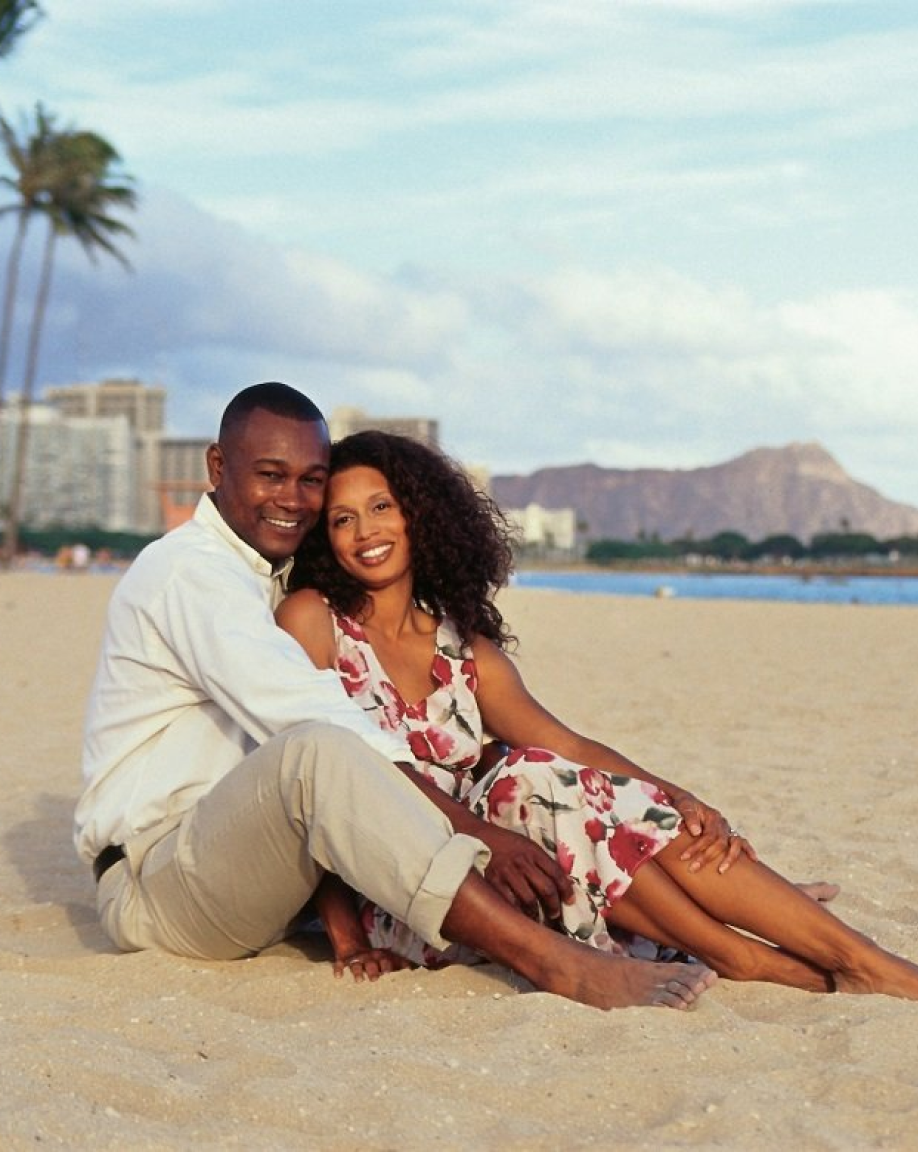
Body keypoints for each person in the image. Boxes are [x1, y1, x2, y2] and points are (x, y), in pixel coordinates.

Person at [76, 381, 718, 1012]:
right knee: (321, 750)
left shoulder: (263, 579)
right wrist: (471, 832)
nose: (293, 499)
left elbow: (553, 741)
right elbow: (313, 722)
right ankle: (557, 964)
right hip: (158, 882)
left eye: (310, 480)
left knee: (505, 763)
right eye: (271, 475)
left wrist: (676, 801)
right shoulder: (192, 573)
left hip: (243, 869)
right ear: (218, 467)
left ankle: (712, 915)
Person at [276, 429, 918, 999]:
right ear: (324, 537)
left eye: (382, 508)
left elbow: (567, 744)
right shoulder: (314, 622)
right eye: (342, 519)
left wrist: (684, 800)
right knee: (527, 779)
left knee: (546, 776)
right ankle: (740, 953)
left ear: (419, 516)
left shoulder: (461, 649)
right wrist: (345, 938)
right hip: (415, 897)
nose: (366, 533)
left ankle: (859, 957)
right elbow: (315, 781)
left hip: (515, 874)